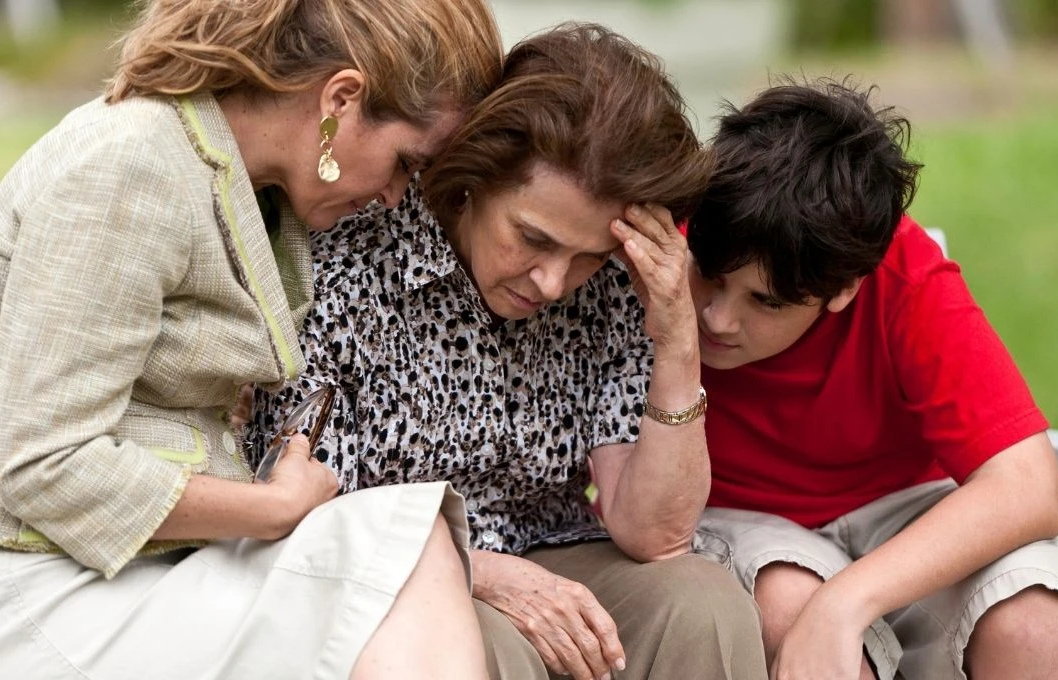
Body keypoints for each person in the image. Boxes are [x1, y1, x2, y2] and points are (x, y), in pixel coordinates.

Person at [0, 1, 504, 678]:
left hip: (122, 577)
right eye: (404, 163)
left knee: (406, 556)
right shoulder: (130, 164)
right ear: (341, 100)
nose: (396, 195)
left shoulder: (244, 187)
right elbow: (48, 465)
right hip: (9, 594)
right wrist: (270, 508)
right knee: (405, 550)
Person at [248, 23, 768, 680]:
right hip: (394, 578)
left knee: (704, 606)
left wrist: (676, 341)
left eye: (586, 256)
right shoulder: (354, 257)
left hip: (550, 553)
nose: (553, 281)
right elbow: (309, 505)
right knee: (497, 649)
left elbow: (655, 534)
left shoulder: (613, 286)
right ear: (475, 179)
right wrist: (482, 573)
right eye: (533, 238)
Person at [685, 77, 1058, 680]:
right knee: (790, 614)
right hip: (739, 516)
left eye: (765, 302)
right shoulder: (682, 236)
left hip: (902, 510)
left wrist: (846, 601)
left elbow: (1032, 486)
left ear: (844, 290)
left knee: (1037, 627)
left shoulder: (899, 274)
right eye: (711, 276)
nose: (717, 318)